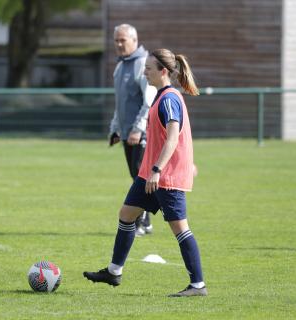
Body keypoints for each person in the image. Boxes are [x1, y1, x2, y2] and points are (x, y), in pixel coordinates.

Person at [84, 48, 206, 297]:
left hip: (164, 176)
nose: (144, 72)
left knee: (180, 228)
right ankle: (114, 271)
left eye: (148, 68)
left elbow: (173, 138)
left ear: (163, 71)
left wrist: (157, 170)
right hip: (149, 175)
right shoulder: (160, 95)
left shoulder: (170, 98)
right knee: (127, 214)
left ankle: (198, 285)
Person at [109, 24, 157, 236]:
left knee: (141, 177)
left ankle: (142, 221)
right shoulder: (120, 66)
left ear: (135, 41)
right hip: (128, 135)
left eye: (123, 40)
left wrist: (139, 129)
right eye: (117, 40)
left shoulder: (141, 65)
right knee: (136, 176)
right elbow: (120, 103)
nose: (119, 44)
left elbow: (149, 101)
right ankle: (144, 220)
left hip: (142, 134)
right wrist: (116, 129)